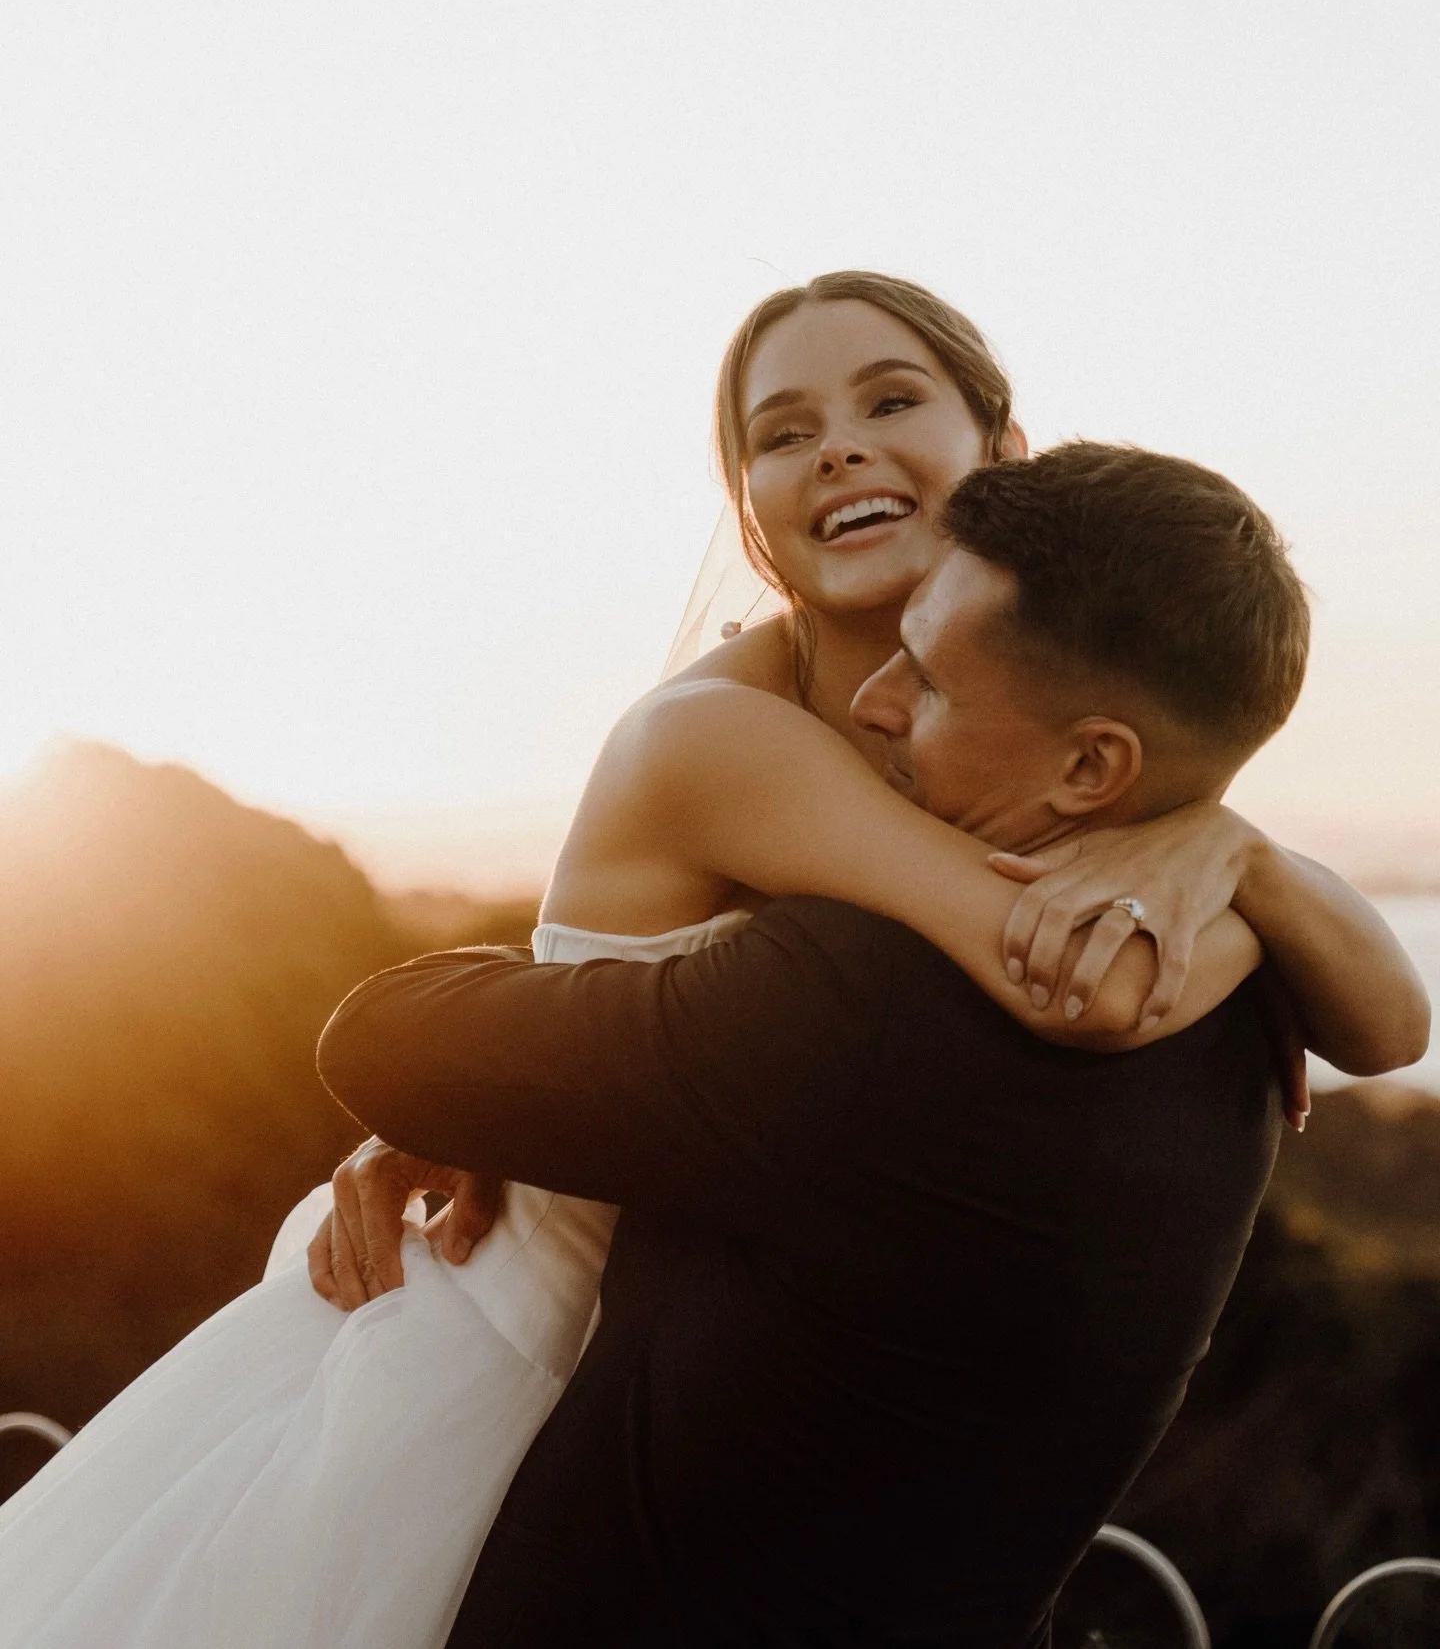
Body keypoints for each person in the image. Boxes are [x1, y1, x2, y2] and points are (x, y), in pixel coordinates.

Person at [0, 277, 1423, 1649]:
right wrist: (1225, 865)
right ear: (748, 507)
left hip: (722, 1362)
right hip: (525, 1344)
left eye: (889, 400)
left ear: (1003, 451)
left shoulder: (1003, 728)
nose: (839, 447)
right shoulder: (729, 738)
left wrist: (1231, 853)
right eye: (782, 432)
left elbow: (1393, 1023)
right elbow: (1079, 976)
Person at [318, 442, 1403, 1645]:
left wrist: (533, 1075)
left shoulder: (862, 1001)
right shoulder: (1248, 999)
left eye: (928, 680)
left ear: (1094, 764)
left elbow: (379, 1039)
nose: (876, 700)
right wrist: (1238, 848)